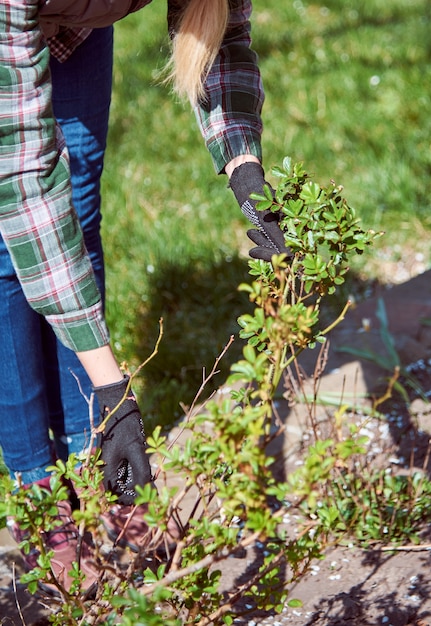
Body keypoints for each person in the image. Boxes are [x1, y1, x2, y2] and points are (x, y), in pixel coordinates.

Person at [0, 0, 289, 592]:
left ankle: (92, 456)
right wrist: (114, 390)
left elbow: (219, 38)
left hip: (75, 26)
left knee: (78, 207)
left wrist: (245, 170)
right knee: (10, 243)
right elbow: (24, 182)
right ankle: (38, 491)